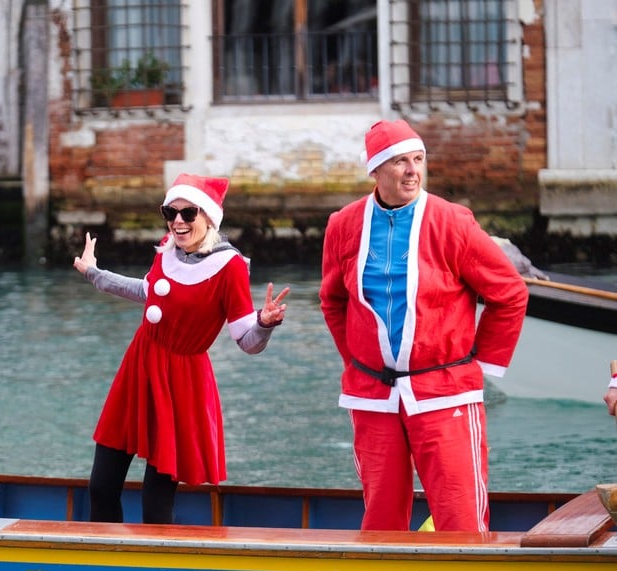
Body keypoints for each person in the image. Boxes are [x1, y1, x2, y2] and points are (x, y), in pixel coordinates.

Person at [319, 119, 528, 532]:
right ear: (375, 171)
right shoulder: (343, 225)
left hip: (445, 392)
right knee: (380, 518)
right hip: (372, 395)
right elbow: (332, 299)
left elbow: (510, 293)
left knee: (460, 517)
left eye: (418, 160)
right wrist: (359, 360)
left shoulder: (452, 222)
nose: (413, 170)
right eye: (399, 162)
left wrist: (479, 365)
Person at [73, 173, 289, 524]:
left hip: (181, 381)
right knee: (101, 486)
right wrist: (94, 273)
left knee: (155, 504)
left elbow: (246, 341)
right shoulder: (167, 248)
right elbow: (147, 291)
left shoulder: (229, 267)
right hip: (139, 365)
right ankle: (107, 563)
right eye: (170, 212)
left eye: (188, 213)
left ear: (208, 218)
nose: (177, 221)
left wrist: (264, 323)